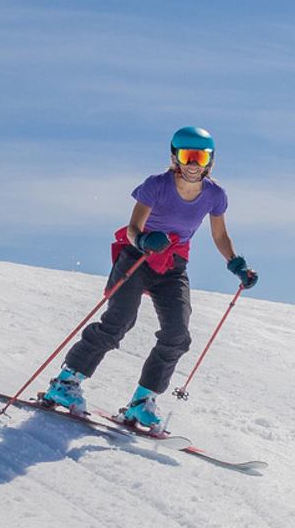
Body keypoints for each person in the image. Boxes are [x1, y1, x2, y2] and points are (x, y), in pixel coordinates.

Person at [39, 126, 258, 429]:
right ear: (174, 156)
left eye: (200, 156)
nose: (193, 164)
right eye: (187, 155)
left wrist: (236, 263)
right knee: (119, 321)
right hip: (138, 257)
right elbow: (133, 228)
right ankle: (66, 382)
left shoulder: (215, 195)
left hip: (173, 265)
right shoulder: (156, 186)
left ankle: (142, 401)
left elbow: (219, 234)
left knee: (177, 335)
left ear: (210, 160)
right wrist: (143, 241)